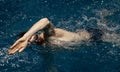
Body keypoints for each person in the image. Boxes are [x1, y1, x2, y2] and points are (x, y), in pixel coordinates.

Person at [8, 18, 108, 54]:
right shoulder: (43, 46)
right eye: (29, 41)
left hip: (92, 36)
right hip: (85, 41)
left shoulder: (49, 35)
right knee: (103, 26)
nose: (31, 41)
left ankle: (104, 17)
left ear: (34, 33)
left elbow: (45, 21)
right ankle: (103, 19)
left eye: (30, 37)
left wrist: (25, 37)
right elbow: (47, 59)